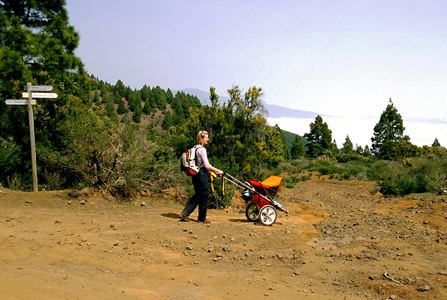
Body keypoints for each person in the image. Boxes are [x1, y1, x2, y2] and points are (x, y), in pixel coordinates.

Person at [179, 131, 224, 224]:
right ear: (202, 139)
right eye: (206, 138)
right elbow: (207, 165)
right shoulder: (202, 149)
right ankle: (202, 218)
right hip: (201, 174)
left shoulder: (194, 148)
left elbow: (200, 164)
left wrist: (208, 170)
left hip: (195, 174)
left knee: (198, 195)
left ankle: (185, 213)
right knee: (204, 196)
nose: (208, 139)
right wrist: (218, 171)